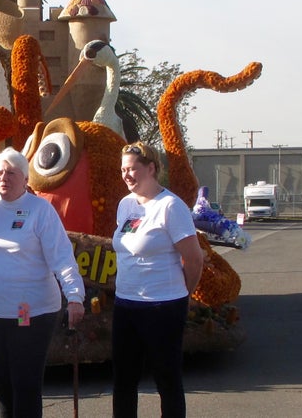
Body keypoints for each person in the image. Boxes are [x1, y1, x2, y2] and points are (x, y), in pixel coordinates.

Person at [0, 148, 85, 418]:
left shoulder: (40, 210)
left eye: (11, 173)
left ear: (26, 179)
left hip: (31, 311)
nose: (4, 177)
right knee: (2, 385)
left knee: (25, 382)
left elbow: (62, 257)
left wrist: (75, 296)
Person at [111, 142, 203, 418]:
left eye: (132, 169)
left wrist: (184, 294)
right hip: (126, 304)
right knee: (124, 380)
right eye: (123, 170)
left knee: (167, 380)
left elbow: (194, 259)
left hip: (163, 307)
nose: (127, 175)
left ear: (151, 168)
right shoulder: (126, 205)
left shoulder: (170, 206)